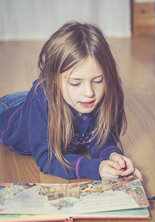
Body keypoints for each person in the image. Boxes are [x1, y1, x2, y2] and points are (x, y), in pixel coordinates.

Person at [0, 21, 142, 181]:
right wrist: (95, 168)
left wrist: (113, 156)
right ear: (54, 80)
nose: (89, 93)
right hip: (8, 109)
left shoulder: (108, 91)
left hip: (44, 100)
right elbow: (47, 158)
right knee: (29, 100)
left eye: (97, 80)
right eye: (76, 83)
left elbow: (101, 137)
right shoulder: (41, 101)